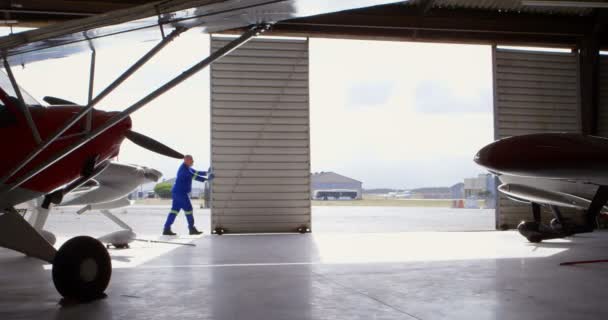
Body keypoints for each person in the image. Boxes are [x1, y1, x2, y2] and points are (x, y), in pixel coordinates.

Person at [163, 155, 213, 235]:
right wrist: (207, 179)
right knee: (188, 209)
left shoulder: (187, 167)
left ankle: (166, 229)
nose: (193, 161)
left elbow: (196, 172)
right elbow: (194, 176)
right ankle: (191, 229)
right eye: (191, 160)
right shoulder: (184, 170)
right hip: (180, 193)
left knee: (174, 211)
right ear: (186, 160)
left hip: (177, 192)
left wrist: (207, 172)